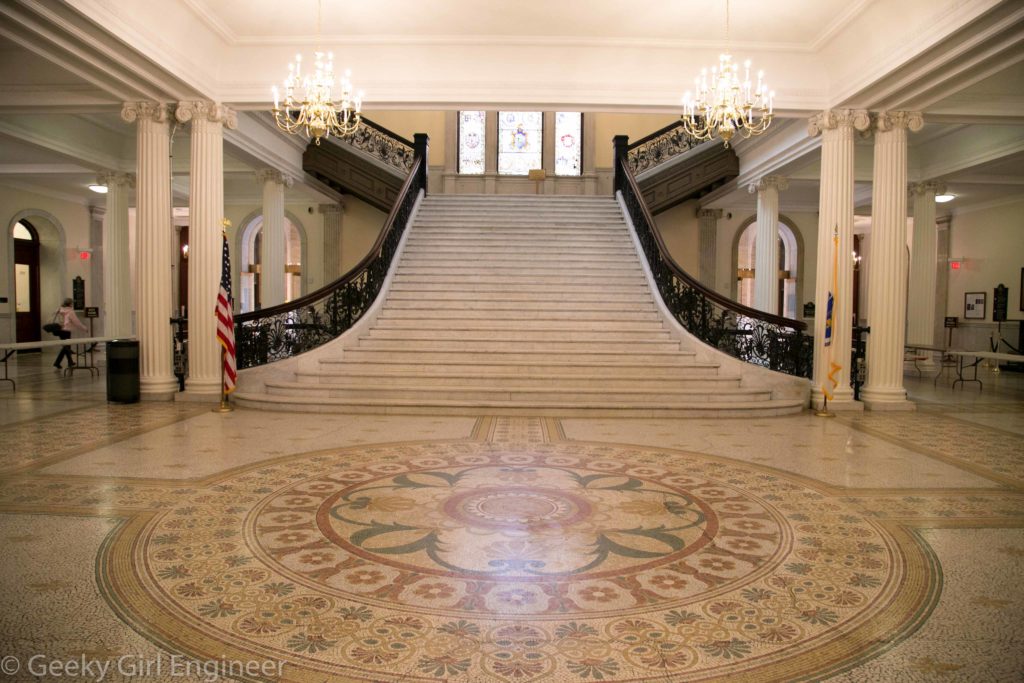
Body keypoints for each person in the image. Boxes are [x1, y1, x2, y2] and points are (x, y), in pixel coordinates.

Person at [53, 298, 87, 369]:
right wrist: (84, 328)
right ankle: (58, 362)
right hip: (66, 331)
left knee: (66, 347)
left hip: (59, 330)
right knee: (66, 346)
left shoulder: (59, 309)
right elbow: (76, 322)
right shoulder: (70, 312)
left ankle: (68, 362)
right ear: (70, 304)